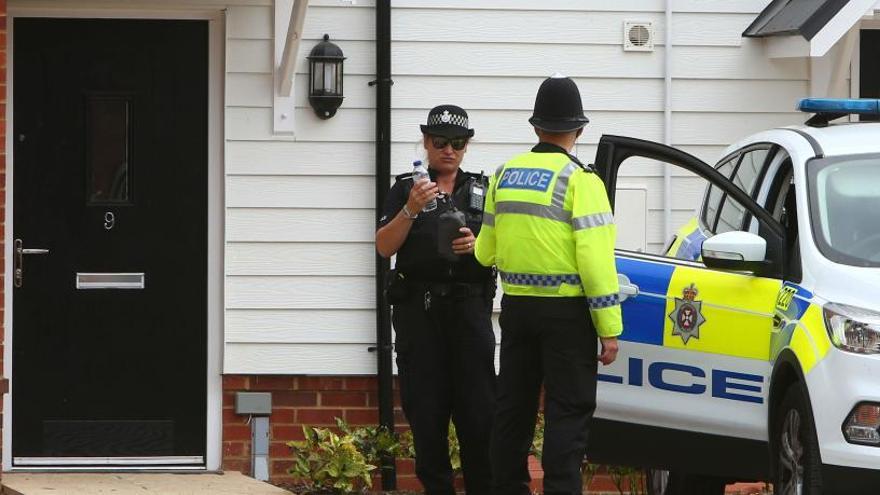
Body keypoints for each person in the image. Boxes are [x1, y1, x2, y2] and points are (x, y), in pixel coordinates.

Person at [474, 75, 623, 495]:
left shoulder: (504, 175)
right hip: (568, 316)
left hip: (517, 309)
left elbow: (485, 253)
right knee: (568, 414)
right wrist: (609, 327)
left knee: (513, 411)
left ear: (536, 127)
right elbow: (596, 263)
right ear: (578, 130)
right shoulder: (582, 181)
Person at [376, 105, 496, 495]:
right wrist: (411, 208)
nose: (449, 150)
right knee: (427, 421)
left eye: (457, 143)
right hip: (420, 317)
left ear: (466, 146)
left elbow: (505, 250)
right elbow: (383, 246)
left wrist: (478, 246)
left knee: (478, 420)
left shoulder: (483, 190)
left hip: (469, 314)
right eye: (440, 142)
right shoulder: (404, 188)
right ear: (426, 142)